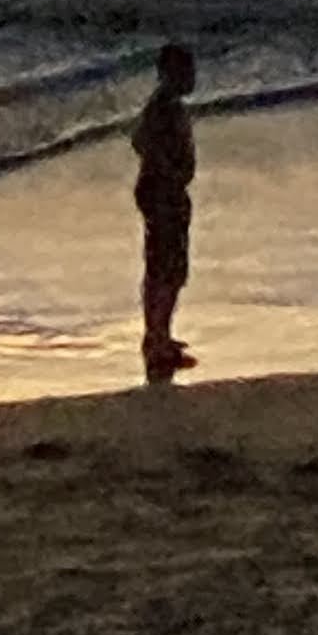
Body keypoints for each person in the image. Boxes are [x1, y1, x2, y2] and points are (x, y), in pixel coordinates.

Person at [130, 42, 197, 383]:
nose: (192, 77)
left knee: (170, 267)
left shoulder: (169, 107)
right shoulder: (162, 109)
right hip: (162, 194)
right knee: (164, 268)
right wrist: (168, 172)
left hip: (166, 192)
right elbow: (142, 141)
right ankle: (156, 339)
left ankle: (160, 334)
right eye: (186, 71)